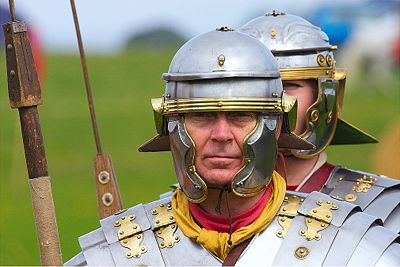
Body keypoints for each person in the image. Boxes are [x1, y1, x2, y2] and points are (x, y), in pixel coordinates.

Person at [66, 27, 399, 266]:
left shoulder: (355, 248)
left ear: (277, 125)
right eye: (203, 116)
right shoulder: (115, 254)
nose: (221, 134)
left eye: (241, 117)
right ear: (169, 126)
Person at [239, 11, 400, 233]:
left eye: (289, 86)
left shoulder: (384, 207)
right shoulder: (198, 207)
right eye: (254, 88)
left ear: (323, 96)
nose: (273, 100)